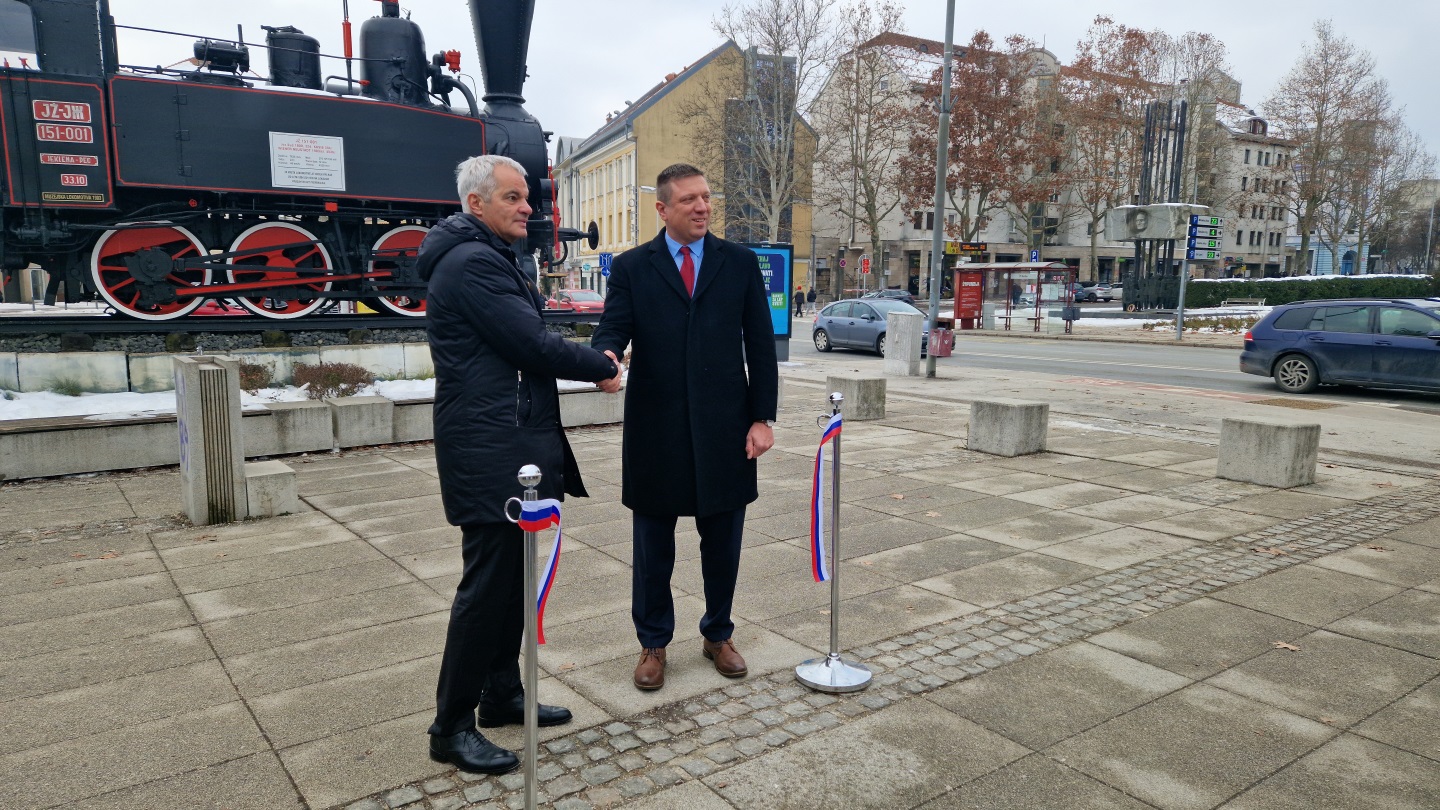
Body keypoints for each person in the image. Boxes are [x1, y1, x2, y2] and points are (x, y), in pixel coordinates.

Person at [416, 154, 623, 774]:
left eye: (527, 197)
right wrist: (602, 365)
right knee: (486, 589)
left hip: (505, 441)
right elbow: (529, 343)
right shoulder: (473, 263)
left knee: (511, 582)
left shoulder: (491, 256)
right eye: (513, 197)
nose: (528, 207)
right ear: (476, 203)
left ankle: (502, 694)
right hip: (489, 447)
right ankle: (451, 727)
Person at [591, 163, 779, 692]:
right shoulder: (633, 267)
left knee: (723, 544)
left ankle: (718, 634)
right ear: (662, 208)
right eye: (689, 199)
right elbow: (613, 328)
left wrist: (762, 417)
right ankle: (653, 643)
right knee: (653, 549)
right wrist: (605, 359)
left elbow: (760, 344)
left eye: (706, 197)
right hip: (656, 430)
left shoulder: (738, 262)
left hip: (726, 429)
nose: (702, 207)